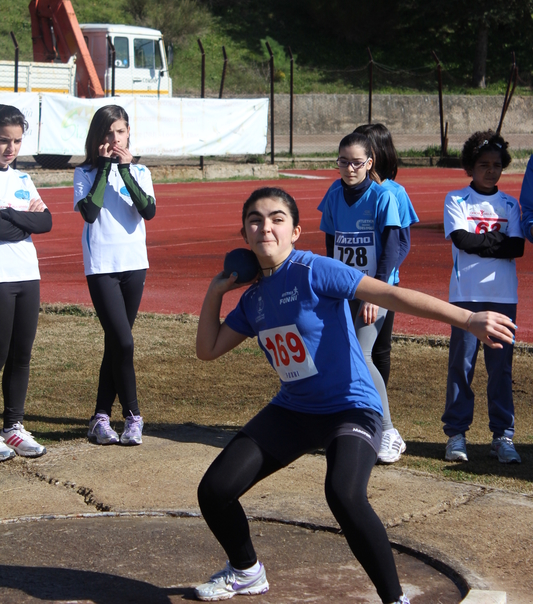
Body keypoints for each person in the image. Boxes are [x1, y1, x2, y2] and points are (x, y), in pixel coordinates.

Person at [193, 186, 515, 604]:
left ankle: (394, 599)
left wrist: (468, 317)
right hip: (293, 410)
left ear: (295, 231)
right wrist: (216, 292)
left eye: (276, 219)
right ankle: (245, 572)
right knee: (215, 490)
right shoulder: (253, 300)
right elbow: (208, 350)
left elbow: (390, 294)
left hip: (351, 407)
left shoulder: (314, 270)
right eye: (255, 220)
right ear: (245, 234)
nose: (265, 227)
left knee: (344, 493)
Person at [317, 132, 405, 464]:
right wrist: (329, 286)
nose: (349, 168)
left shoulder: (384, 198)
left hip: (377, 289)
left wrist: (375, 294)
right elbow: (330, 243)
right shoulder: (334, 195)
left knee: (363, 355)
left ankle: (388, 430)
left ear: (369, 163)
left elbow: (393, 248)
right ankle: (349, 423)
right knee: (339, 355)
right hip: (344, 288)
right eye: (343, 162)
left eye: (356, 162)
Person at [73, 105, 156, 447]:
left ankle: (100, 417)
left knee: (115, 343)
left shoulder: (139, 171)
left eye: (120, 132)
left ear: (128, 134)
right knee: (123, 341)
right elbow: (90, 213)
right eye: (108, 133)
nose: (114, 139)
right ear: (97, 138)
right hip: (102, 266)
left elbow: (148, 210)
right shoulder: (84, 172)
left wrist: (125, 170)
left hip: (134, 264)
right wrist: (106, 167)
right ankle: (134, 417)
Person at [442, 131, 524, 464]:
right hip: (465, 297)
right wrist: (497, 241)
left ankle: (502, 436)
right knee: (461, 366)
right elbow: (463, 241)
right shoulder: (456, 199)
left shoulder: (510, 204)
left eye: (496, 165)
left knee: (500, 370)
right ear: (470, 167)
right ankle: (456, 435)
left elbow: (516, 247)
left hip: (503, 297)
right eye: (483, 165)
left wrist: (488, 242)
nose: (491, 171)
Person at [0, 104, 52, 459]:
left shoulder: (21, 178)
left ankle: (13, 427)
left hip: (27, 276)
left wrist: (7, 215)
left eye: (17, 141)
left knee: (22, 354)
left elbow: (46, 221)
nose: (11, 149)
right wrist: (21, 220)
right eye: (4, 140)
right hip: (1, 279)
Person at [353, 123, 419, 388]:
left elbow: (402, 244)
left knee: (378, 349)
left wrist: (382, 280)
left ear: (376, 153)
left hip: (383, 285)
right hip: (351, 282)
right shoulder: (347, 190)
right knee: (349, 345)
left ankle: (378, 410)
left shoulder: (395, 193)